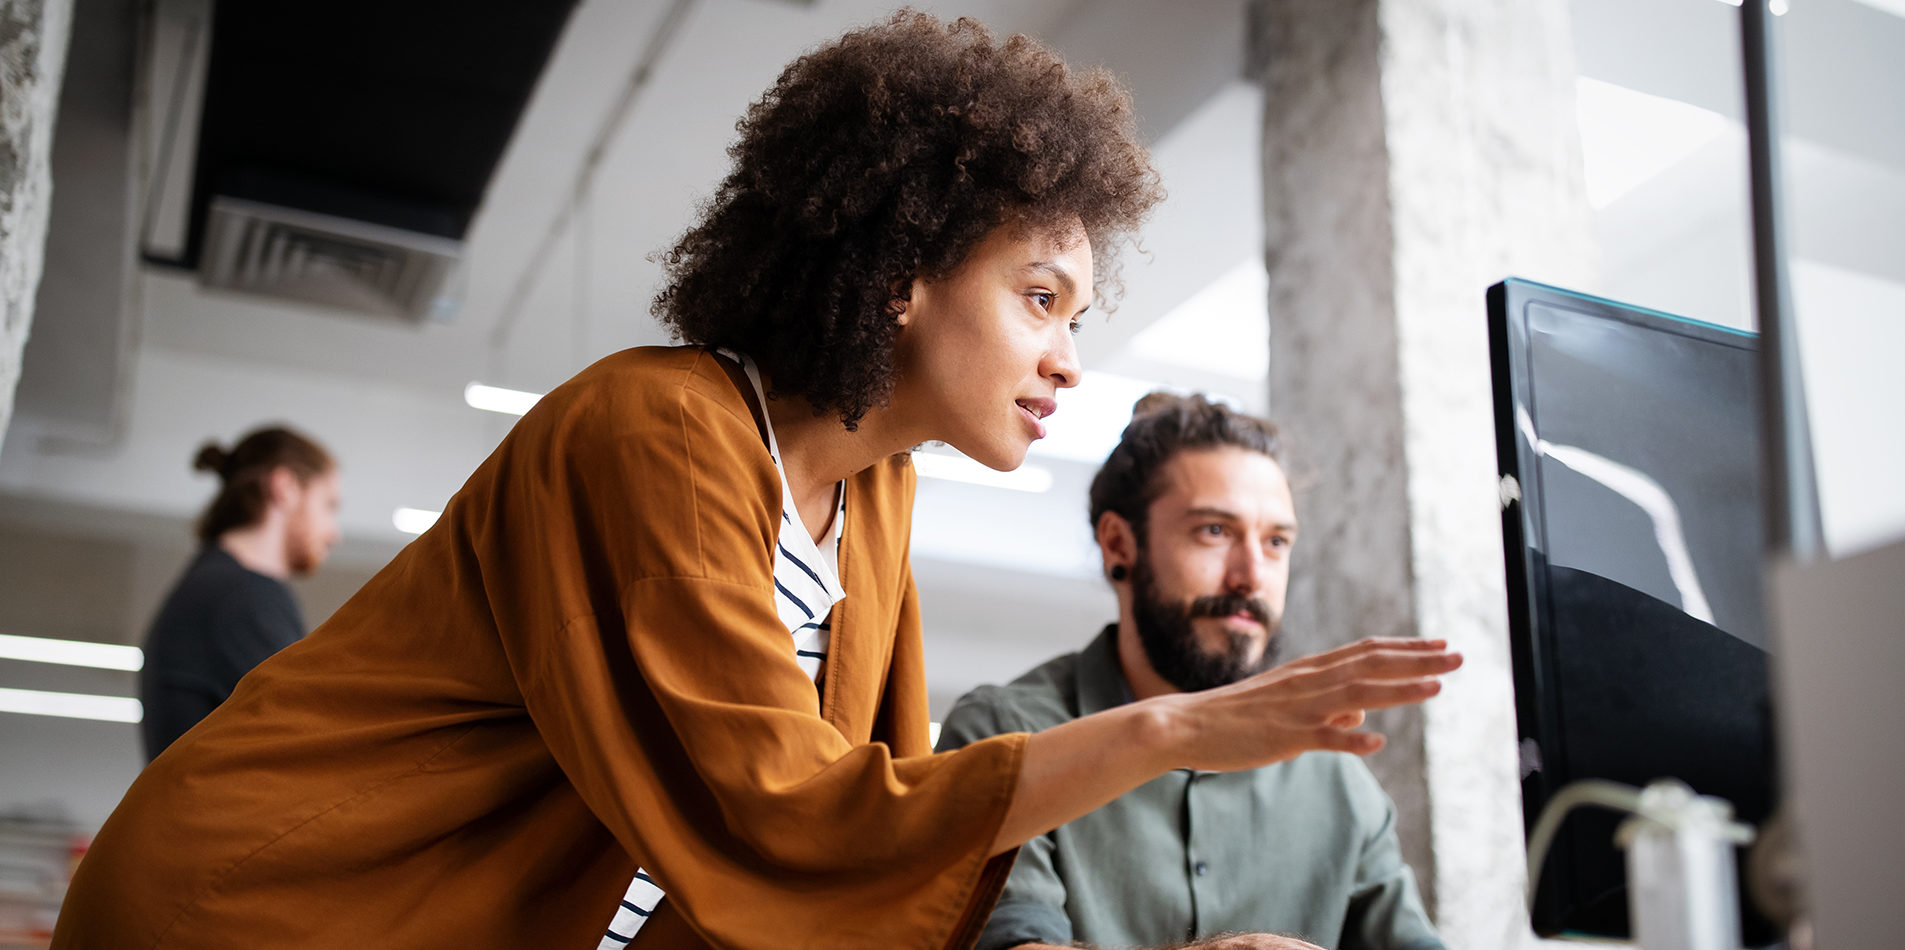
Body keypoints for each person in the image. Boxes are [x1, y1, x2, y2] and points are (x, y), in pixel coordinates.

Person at [53, 14, 1458, 950]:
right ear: (903, 273)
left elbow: (864, 821)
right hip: (268, 910)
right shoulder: (654, 429)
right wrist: (1170, 734)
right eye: (1040, 296)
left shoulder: (877, 492)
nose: (1063, 360)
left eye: (1075, 317)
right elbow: (786, 813)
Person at [938, 393, 1446, 950]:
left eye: (1276, 542)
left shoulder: (1335, 776)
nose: (1251, 576)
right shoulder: (1005, 735)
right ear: (1118, 544)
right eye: (1214, 532)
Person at [139, 426, 341, 760]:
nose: (334, 534)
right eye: (328, 505)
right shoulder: (243, 596)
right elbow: (312, 742)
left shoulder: (215, 586)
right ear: (285, 487)